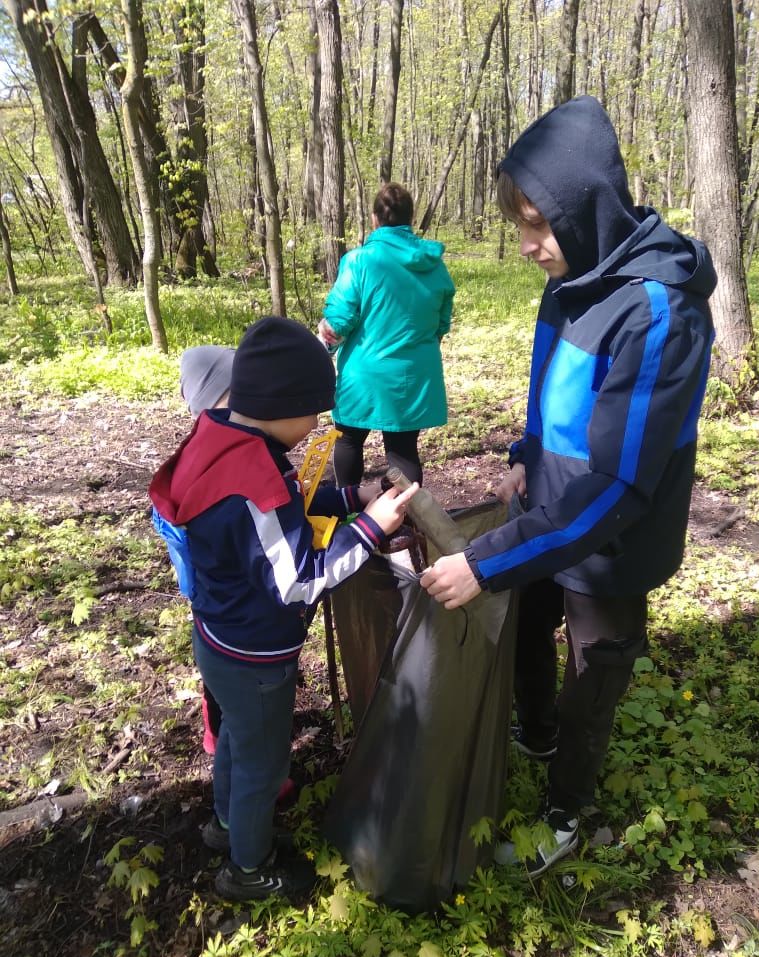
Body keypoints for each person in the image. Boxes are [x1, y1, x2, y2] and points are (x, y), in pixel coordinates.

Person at [420, 95, 716, 878]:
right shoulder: (571, 279)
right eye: (520, 224)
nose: (525, 245)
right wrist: (524, 448)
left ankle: (565, 811)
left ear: (588, 212)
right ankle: (535, 730)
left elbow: (618, 485)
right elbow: (551, 380)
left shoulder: (659, 314)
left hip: (609, 539)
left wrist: (485, 561)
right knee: (527, 634)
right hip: (547, 507)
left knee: (595, 675)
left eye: (537, 225)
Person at [150, 317, 417, 902]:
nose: (318, 425)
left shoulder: (224, 435)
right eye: (314, 412)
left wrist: (351, 498)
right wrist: (372, 529)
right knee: (263, 765)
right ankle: (249, 869)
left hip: (219, 633)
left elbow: (283, 510)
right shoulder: (254, 479)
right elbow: (299, 581)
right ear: (283, 404)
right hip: (255, 654)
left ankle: (225, 826)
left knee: (238, 744)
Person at [318, 182, 455, 488]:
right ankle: (405, 526)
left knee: (349, 439)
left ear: (374, 218)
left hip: (364, 374)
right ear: (411, 218)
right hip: (414, 376)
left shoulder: (360, 261)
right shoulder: (434, 266)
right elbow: (441, 325)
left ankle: (349, 511)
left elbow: (338, 322)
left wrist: (322, 343)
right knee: (404, 448)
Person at [178, 344, 235, 754]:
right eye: (236, 394)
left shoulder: (223, 445)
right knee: (225, 673)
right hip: (217, 589)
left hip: (220, 586)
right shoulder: (209, 457)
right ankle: (221, 735)